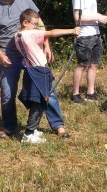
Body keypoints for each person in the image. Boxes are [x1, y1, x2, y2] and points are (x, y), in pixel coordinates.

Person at [0, 0, 67, 138]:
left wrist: (46, 44)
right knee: (7, 92)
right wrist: (0, 55)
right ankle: (9, 126)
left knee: (46, 87)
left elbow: (40, 22)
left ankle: (58, 125)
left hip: (32, 53)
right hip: (9, 55)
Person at [15, 9, 80, 143]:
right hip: (39, 71)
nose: (37, 27)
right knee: (39, 102)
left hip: (32, 70)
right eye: (35, 24)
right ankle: (29, 133)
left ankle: (34, 130)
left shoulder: (18, 35)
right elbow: (51, 32)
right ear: (25, 22)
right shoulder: (30, 34)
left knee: (41, 100)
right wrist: (72, 31)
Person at [70, 0, 107, 103]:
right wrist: (98, 17)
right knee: (82, 64)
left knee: (94, 64)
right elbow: (77, 17)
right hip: (85, 35)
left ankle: (90, 92)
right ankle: (75, 94)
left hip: (95, 33)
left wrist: (98, 18)